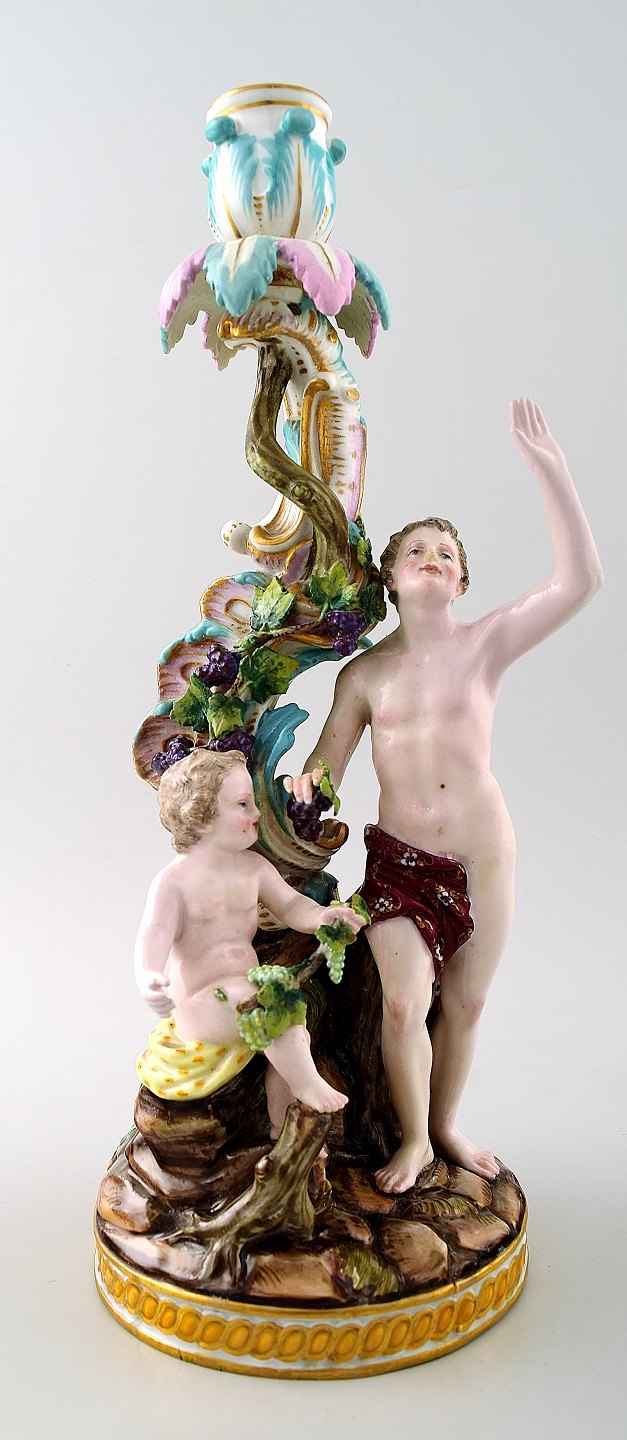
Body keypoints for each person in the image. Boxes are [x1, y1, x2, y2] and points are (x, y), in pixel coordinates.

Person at [284, 399, 603, 1193]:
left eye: (446, 552)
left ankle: (448, 1124)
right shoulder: (364, 675)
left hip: (482, 851)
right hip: (400, 862)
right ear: (391, 578)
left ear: (460, 579)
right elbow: (329, 762)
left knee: (465, 1005)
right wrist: (303, 784)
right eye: (415, 550)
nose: (432, 557)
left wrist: (552, 472)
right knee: (403, 1005)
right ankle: (416, 1141)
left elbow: (579, 581)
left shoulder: (485, 644)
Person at [134, 747, 365, 1134]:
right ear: (201, 814)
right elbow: (153, 933)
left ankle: (279, 1126)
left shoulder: (253, 868)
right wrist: (148, 976)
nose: (257, 813)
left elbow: (290, 905)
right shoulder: (174, 882)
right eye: (243, 804)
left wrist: (323, 916)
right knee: (275, 1013)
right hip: (203, 1002)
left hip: (248, 988)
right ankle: (307, 1086)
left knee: (293, 1030)